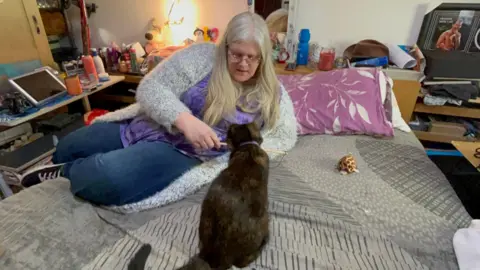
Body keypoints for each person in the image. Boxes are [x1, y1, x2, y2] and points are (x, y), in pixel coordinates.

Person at [20, 12, 297, 210]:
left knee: (109, 177)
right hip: (147, 126)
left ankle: (66, 172)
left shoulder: (273, 92)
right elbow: (150, 88)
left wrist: (238, 155)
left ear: (263, 56)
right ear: (225, 48)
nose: (244, 64)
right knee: (69, 144)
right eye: (236, 54)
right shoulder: (201, 56)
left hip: (184, 152)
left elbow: (283, 137)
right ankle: (63, 161)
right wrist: (185, 119)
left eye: (253, 57)